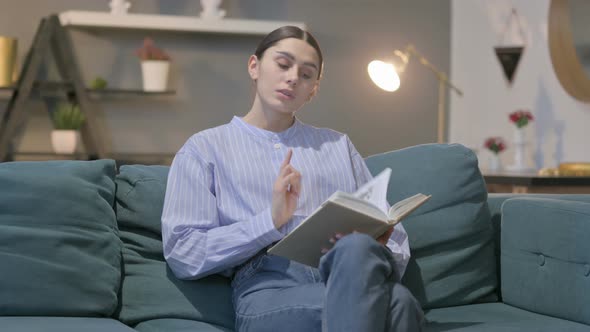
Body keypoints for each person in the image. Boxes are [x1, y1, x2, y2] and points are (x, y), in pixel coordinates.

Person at [161, 26, 424, 332]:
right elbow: (184, 252)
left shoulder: (337, 145)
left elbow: (399, 241)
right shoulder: (204, 148)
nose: (293, 78)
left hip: (344, 272)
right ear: (254, 66)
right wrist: (269, 222)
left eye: (306, 74)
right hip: (268, 288)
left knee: (356, 252)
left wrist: (376, 243)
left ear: (313, 89)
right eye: (283, 65)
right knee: (399, 304)